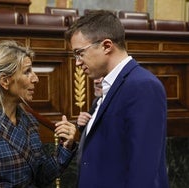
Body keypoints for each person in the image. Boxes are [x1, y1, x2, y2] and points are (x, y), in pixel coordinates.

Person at [0, 40, 77, 187]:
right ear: (5, 81)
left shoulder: (29, 121)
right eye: (27, 72)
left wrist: (65, 147)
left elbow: (40, 177)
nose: (35, 79)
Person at [64, 10, 169, 187]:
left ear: (106, 46)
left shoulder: (142, 86)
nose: (77, 62)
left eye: (80, 53)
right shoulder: (109, 87)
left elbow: (143, 169)